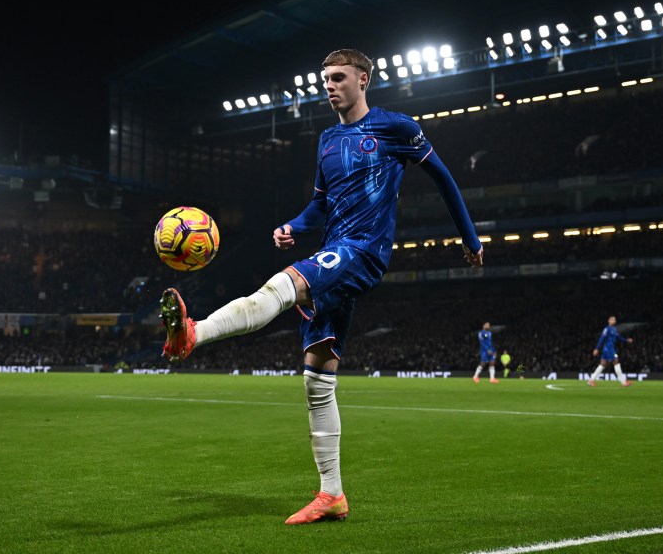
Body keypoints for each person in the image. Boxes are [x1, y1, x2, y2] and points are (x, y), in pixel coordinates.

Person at [157, 48, 484, 525]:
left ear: (364, 79)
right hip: (336, 248)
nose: (328, 86)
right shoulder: (328, 139)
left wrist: (470, 239)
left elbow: (445, 179)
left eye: (337, 77)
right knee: (317, 377)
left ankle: (194, 334)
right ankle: (332, 495)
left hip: (363, 251)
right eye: (324, 80)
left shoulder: (396, 127)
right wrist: (294, 223)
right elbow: (320, 206)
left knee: (279, 287)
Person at [587, 316, 634, 387]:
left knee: (603, 364)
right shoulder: (607, 329)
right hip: (608, 349)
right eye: (611, 319)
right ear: (608, 321)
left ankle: (591, 380)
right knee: (616, 361)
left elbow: (619, 337)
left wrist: (626, 340)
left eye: (614, 319)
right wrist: (597, 348)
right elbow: (602, 338)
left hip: (610, 349)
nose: (613, 320)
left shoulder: (614, 329)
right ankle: (623, 382)